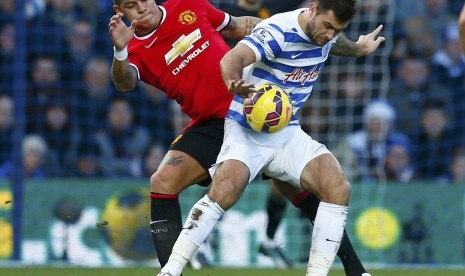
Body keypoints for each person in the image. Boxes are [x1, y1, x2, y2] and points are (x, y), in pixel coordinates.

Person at [109, 0, 368, 275]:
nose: (141, 7)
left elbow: (241, 27)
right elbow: (125, 83)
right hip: (209, 124)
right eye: (130, 5)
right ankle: (171, 271)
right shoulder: (133, 49)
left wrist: (293, 35)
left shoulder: (187, 5)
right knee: (162, 181)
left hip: (251, 110)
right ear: (120, 11)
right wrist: (120, 49)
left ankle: (355, 268)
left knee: (306, 189)